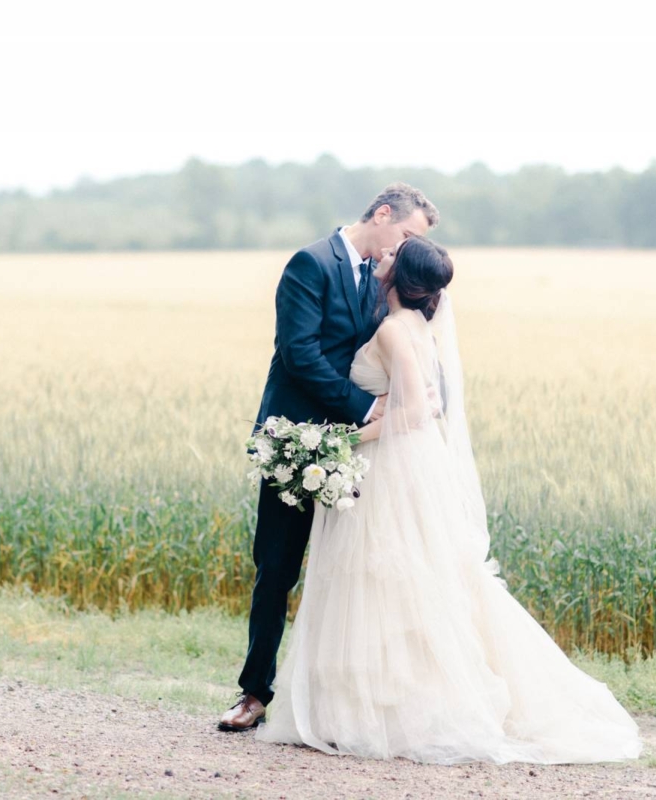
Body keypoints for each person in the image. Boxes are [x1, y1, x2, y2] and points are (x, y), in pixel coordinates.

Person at [253, 236, 643, 763]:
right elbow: (427, 402)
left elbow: (415, 412)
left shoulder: (393, 331)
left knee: (380, 579)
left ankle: (379, 709)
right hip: (401, 466)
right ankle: (362, 703)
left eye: (392, 256)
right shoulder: (414, 327)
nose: (382, 257)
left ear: (397, 276)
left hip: (388, 468)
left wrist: (337, 442)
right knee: (393, 582)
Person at [220, 183, 438, 732]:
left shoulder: (383, 280)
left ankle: (351, 699)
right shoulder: (311, 263)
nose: (406, 248)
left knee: (361, 574)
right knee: (277, 568)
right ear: (383, 214)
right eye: (408, 234)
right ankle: (254, 693)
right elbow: (300, 354)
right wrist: (365, 408)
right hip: (301, 440)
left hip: (365, 453)